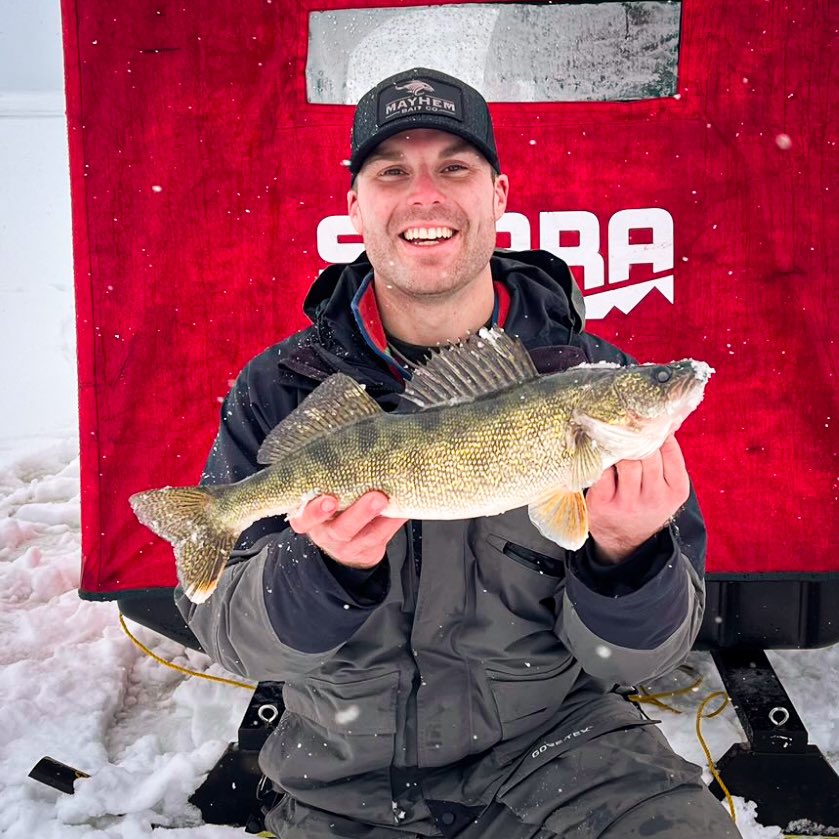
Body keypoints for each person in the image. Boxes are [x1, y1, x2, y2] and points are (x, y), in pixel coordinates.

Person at [177, 68, 740, 838]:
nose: (424, 194)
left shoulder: (588, 377)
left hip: (559, 757)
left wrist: (628, 553)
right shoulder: (282, 387)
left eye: (453, 167)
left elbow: (633, 664)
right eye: (391, 172)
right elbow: (225, 636)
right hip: (340, 778)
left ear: (498, 194)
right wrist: (321, 571)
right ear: (355, 206)